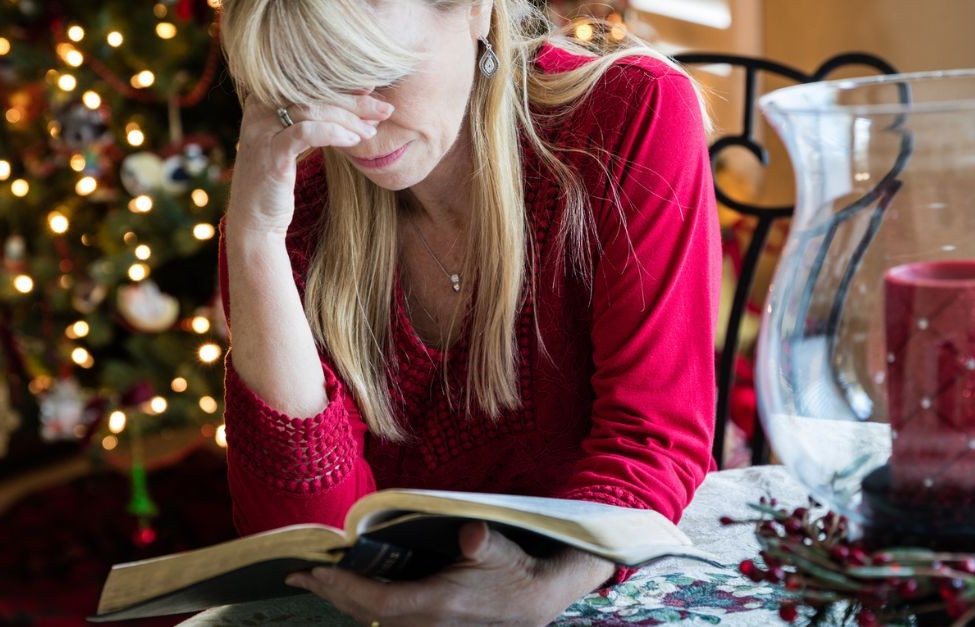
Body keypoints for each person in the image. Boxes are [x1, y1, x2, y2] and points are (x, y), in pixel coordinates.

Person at [216, 0, 720, 624]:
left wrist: (542, 587)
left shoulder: (627, 115)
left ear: (478, 11)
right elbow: (304, 543)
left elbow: (652, 440)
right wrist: (255, 238)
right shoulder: (292, 216)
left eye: (380, 76)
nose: (358, 130)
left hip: (584, 589)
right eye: (313, 84)